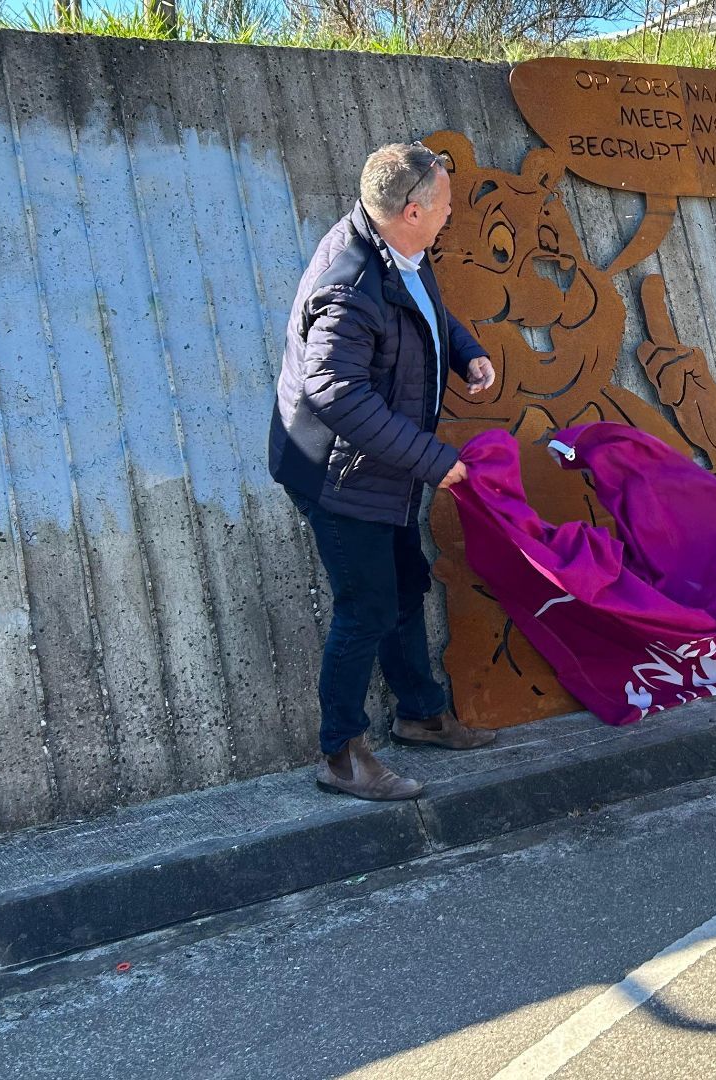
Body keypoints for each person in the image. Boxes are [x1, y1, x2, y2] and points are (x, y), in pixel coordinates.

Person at [270, 142, 498, 800]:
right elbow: (337, 394)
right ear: (413, 211)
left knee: (405, 586)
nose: (451, 213)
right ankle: (340, 755)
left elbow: (424, 313)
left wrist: (465, 350)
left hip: (383, 465)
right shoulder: (348, 283)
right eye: (445, 204)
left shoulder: (399, 248)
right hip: (339, 477)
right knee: (366, 606)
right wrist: (433, 461)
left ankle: (420, 713)